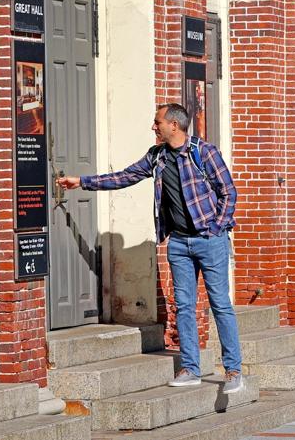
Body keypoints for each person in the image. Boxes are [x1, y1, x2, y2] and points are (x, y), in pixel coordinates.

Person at [56, 103, 244, 394]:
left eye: (158, 122)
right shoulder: (157, 157)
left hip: (210, 241)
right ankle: (191, 369)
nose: (154, 127)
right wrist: (82, 182)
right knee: (183, 307)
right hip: (179, 242)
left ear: (174, 125)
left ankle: (233, 371)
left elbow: (228, 192)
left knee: (219, 304)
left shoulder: (203, 152)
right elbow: (124, 177)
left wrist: (216, 228)